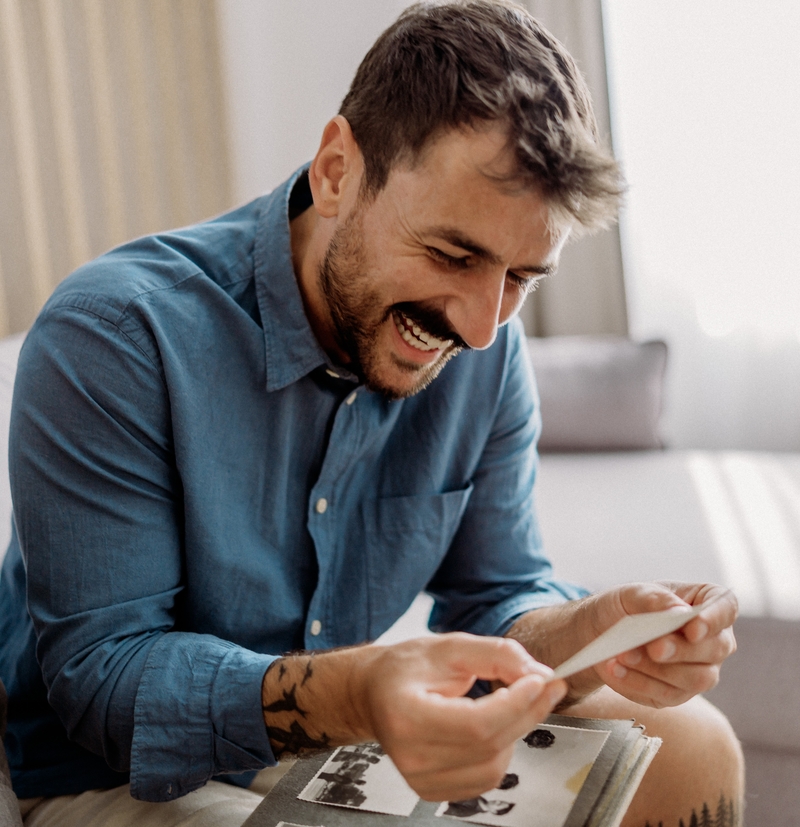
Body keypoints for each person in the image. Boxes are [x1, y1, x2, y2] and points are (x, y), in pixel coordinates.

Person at [0, 1, 743, 825]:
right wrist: (360, 695)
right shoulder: (114, 335)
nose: (480, 322)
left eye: (523, 276)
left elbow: (495, 594)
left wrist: (591, 631)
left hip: (333, 733)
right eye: (452, 255)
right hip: (109, 771)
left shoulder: (485, 347)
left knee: (693, 746)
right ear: (336, 171)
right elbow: (107, 685)